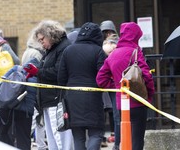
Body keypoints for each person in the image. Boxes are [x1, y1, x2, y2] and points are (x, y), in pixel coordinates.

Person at [96, 22, 155, 150]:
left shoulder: (113, 55)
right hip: (138, 101)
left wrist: (118, 85)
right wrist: (149, 95)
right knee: (137, 141)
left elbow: (100, 79)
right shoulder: (135, 52)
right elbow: (147, 76)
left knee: (126, 138)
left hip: (121, 104)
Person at [24, 20, 74, 150]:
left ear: (50, 35)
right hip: (48, 100)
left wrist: (38, 72)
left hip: (56, 99)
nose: (41, 43)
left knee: (60, 137)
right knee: (52, 137)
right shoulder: (51, 49)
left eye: (42, 39)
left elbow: (58, 72)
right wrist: (36, 70)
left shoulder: (63, 48)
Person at [58, 22, 107, 150]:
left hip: (72, 98)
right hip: (93, 97)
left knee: (78, 136)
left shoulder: (68, 50)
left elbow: (61, 78)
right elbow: (102, 75)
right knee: (96, 133)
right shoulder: (98, 51)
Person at [0, 62, 38, 150]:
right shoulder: (37, 77)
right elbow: (39, 97)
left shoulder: (16, 68)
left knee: (3, 137)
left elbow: (0, 84)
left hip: (6, 108)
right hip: (25, 112)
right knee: (23, 140)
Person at [21, 30, 47, 150]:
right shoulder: (37, 54)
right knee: (37, 118)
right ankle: (40, 145)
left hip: (27, 86)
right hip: (35, 88)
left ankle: (39, 144)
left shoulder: (27, 52)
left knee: (35, 118)